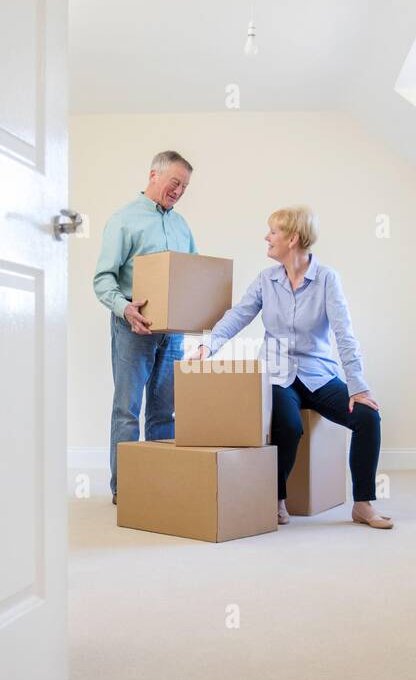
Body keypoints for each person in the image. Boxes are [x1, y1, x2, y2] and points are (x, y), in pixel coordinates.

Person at [190, 206, 392, 529]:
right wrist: (207, 345)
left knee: (368, 417)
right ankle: (277, 498)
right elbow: (238, 316)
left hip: (319, 375)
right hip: (278, 372)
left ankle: (363, 504)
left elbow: (344, 334)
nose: (266, 237)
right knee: (287, 424)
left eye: (273, 232)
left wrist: (358, 386)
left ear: (293, 238)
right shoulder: (265, 280)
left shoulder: (327, 279)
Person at [93, 151, 197, 504]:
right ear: (154, 175)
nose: (179, 191)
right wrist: (125, 309)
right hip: (132, 329)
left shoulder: (182, 226)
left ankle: (160, 481)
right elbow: (103, 278)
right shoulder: (123, 220)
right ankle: (125, 488)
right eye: (175, 183)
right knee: (127, 409)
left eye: (185, 186)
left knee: (163, 411)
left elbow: (192, 274)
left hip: (173, 333)